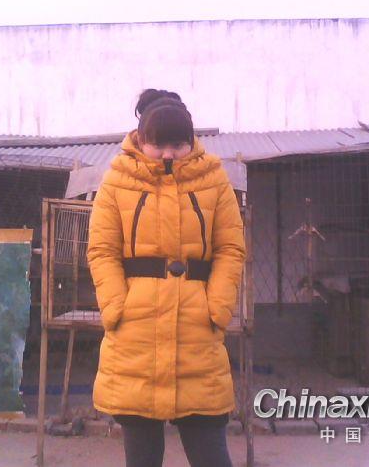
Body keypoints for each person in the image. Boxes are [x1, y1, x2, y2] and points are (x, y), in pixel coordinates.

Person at [87, 88, 246, 467]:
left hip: (197, 331)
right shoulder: (117, 180)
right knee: (142, 458)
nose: (169, 154)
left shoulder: (214, 180)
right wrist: (116, 306)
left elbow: (230, 249)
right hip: (135, 334)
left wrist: (217, 308)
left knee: (211, 455)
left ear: (192, 142)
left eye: (178, 144)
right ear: (141, 139)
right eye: (159, 145)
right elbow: (102, 251)